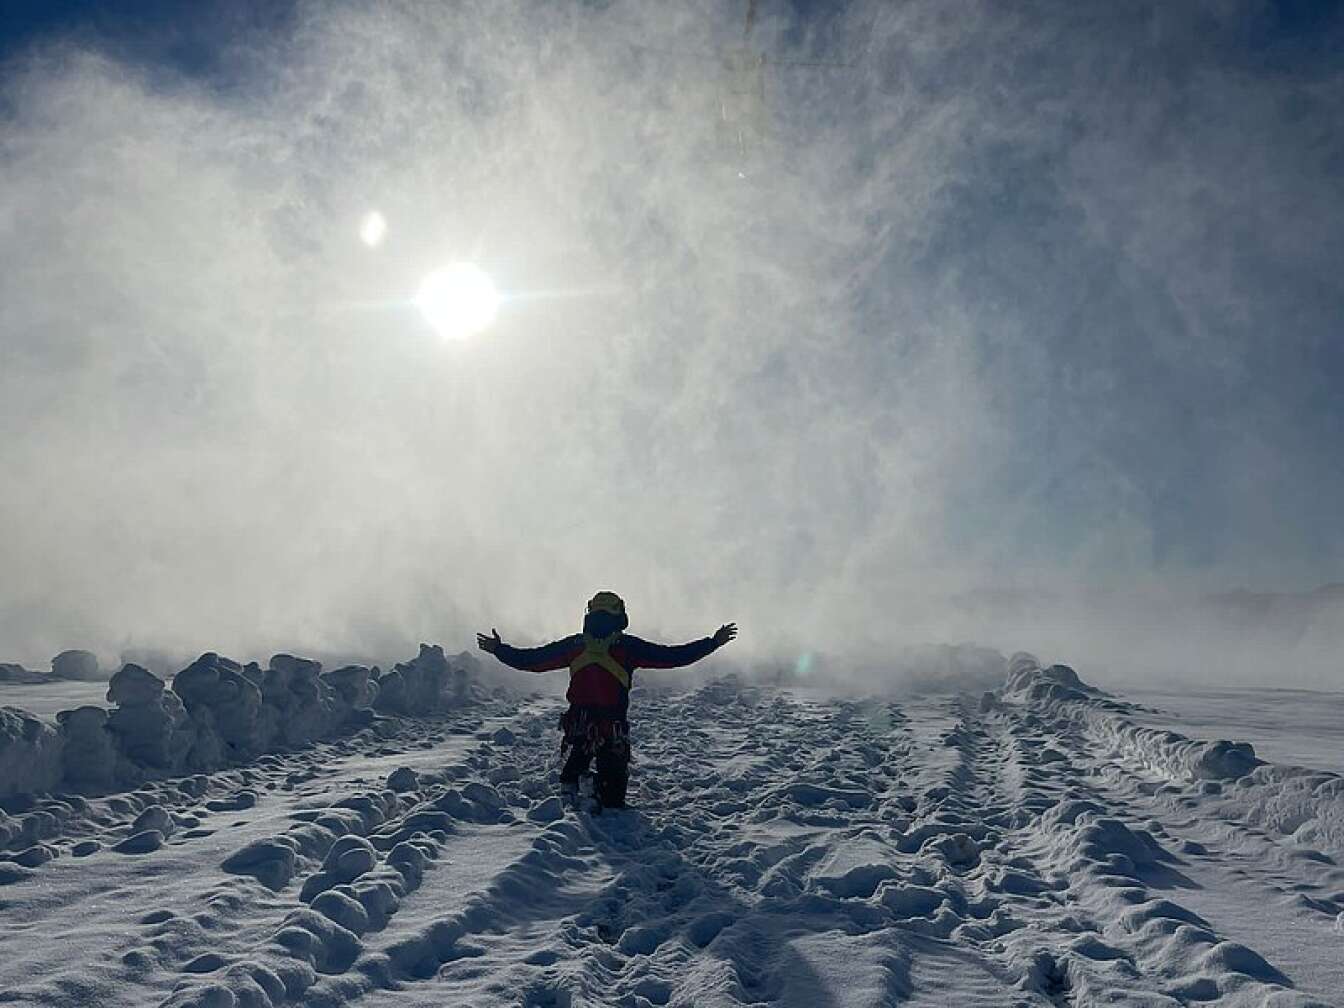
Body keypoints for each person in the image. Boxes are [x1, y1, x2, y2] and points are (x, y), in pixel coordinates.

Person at [477, 591, 736, 809]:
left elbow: (531, 660)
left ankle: (575, 782)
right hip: (612, 729)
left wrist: (500, 650)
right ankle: (594, 787)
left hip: (579, 726)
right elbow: (673, 656)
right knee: (614, 799)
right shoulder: (628, 648)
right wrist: (712, 643)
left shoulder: (575, 646)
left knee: (572, 775)